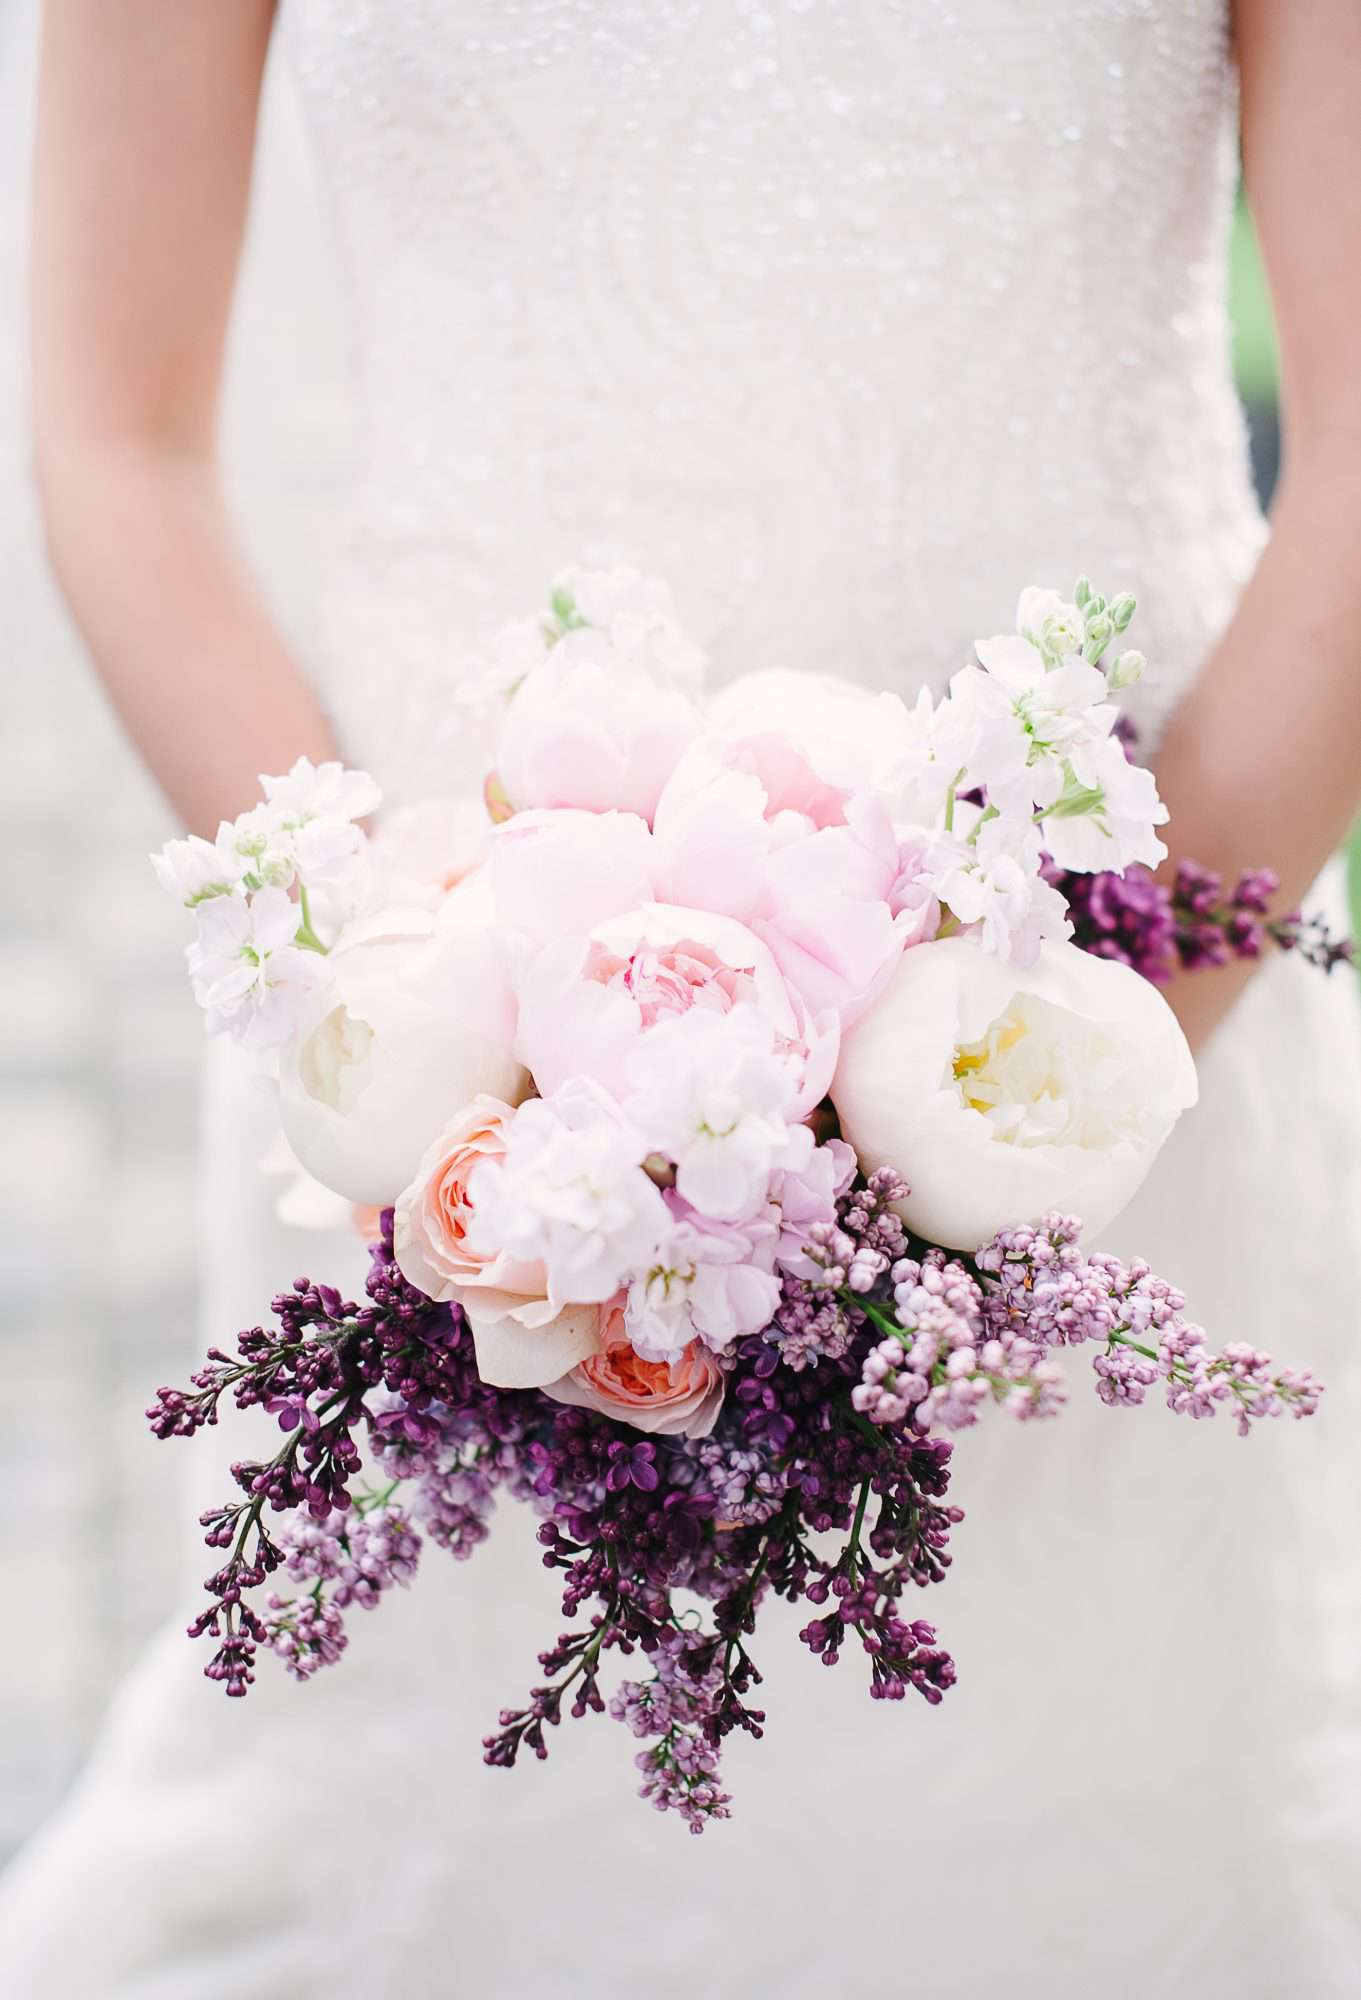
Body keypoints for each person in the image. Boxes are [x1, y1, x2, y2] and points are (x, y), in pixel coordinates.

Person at [4, 2, 1360, 1993]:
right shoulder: (445, 1085)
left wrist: (993, 1140)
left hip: (1112, 1034)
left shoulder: (1076, 1080)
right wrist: (438, 1061)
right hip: (451, 1080)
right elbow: (117, 442)